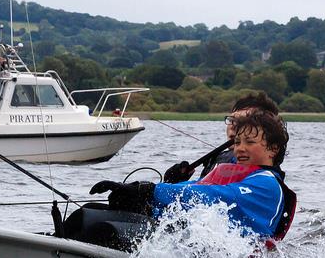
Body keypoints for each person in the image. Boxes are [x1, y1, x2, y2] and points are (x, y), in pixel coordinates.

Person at [90, 111, 296, 242]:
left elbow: (212, 196)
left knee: (102, 230)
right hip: (186, 243)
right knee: (89, 213)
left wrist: (150, 190)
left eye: (249, 142)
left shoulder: (267, 185)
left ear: (273, 149)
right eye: (238, 142)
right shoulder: (233, 174)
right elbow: (193, 190)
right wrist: (141, 200)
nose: (240, 148)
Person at [164, 92, 280, 183]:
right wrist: (173, 183)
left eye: (242, 122)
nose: (234, 126)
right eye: (231, 120)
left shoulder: (263, 172)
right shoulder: (220, 157)